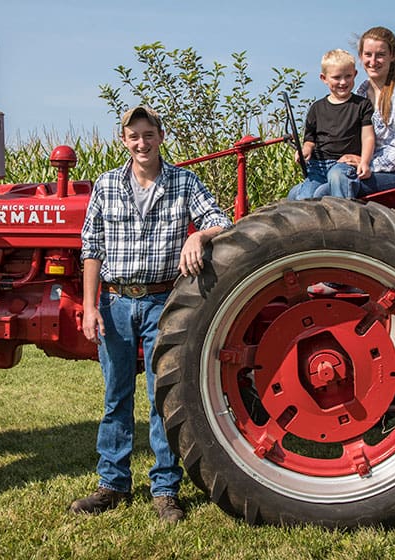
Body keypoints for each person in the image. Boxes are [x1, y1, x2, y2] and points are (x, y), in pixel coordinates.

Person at [74, 105, 232, 523]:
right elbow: (92, 248)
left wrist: (198, 234)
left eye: (148, 134)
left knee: (163, 398)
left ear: (160, 136)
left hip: (163, 302)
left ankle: (165, 488)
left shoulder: (182, 181)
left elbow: (222, 219)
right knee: (115, 396)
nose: (141, 143)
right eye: (133, 136)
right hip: (116, 299)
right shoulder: (107, 185)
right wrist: (90, 307)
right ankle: (113, 483)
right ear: (123, 140)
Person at [335, 26, 395, 197]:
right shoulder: (359, 95)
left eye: (380, 55)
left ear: (392, 56)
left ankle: (346, 224)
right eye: (368, 54)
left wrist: (370, 163)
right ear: (360, 56)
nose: (373, 61)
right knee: (305, 192)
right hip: (373, 171)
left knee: (339, 185)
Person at [287, 49, 375, 200]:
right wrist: (305, 150)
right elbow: (310, 139)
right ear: (324, 78)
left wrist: (365, 162)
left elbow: (368, 137)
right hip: (318, 166)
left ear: (355, 74)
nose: (343, 82)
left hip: (343, 164)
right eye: (336, 77)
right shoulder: (317, 108)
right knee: (305, 197)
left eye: (348, 76)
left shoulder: (362, 105)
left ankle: (344, 218)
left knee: (337, 176)